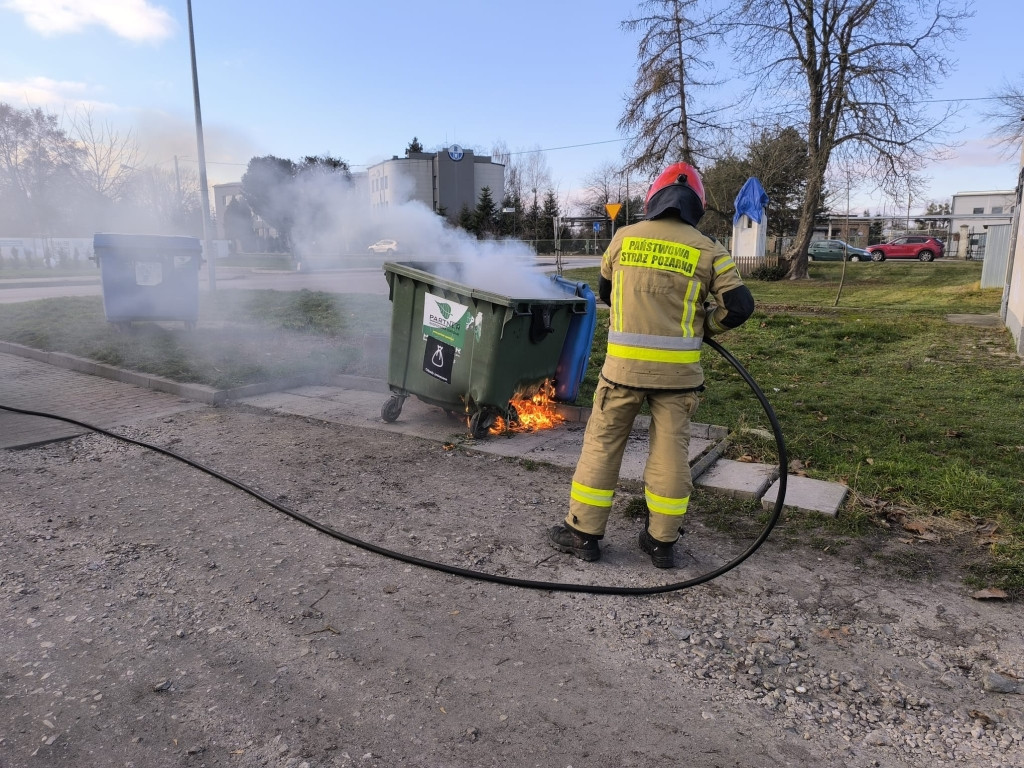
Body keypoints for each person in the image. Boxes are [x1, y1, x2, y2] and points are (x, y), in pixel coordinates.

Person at [548, 162, 755, 568]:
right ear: (696, 204)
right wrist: (707, 326)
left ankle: (584, 534)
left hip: (622, 373)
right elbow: (741, 307)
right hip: (678, 379)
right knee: (670, 456)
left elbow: (608, 292)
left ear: (654, 199)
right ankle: (661, 542)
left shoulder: (623, 239)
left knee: (602, 447)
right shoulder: (708, 249)